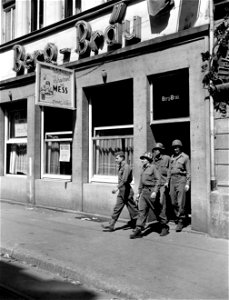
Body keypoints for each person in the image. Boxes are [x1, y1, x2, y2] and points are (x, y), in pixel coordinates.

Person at [102, 151, 138, 232]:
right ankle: (111, 225)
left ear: (122, 158)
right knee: (117, 208)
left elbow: (125, 180)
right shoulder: (121, 166)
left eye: (117, 158)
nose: (115, 160)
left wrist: (117, 188)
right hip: (122, 191)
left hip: (127, 191)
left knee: (133, 210)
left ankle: (138, 226)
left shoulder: (126, 167)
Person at [130, 152, 160, 239]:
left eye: (144, 159)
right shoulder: (143, 168)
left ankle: (164, 225)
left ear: (149, 160)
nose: (142, 160)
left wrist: (155, 191)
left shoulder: (153, 167)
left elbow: (158, 180)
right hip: (144, 192)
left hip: (151, 192)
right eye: (142, 159)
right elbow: (141, 182)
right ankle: (138, 229)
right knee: (142, 210)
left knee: (156, 210)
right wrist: (138, 193)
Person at [165, 140, 191, 232]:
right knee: (173, 201)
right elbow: (169, 170)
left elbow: (188, 172)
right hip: (172, 180)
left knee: (181, 202)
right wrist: (167, 181)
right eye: (174, 147)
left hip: (181, 179)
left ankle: (181, 220)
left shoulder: (185, 157)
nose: (176, 149)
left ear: (180, 147)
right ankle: (178, 215)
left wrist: (187, 183)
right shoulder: (172, 157)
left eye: (177, 147)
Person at [152, 143, 170, 236]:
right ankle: (159, 221)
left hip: (163, 184)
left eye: (158, 149)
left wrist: (167, 181)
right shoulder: (153, 160)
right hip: (155, 185)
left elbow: (170, 170)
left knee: (162, 202)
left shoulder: (167, 158)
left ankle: (164, 226)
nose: (156, 151)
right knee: (155, 203)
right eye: (155, 149)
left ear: (161, 150)